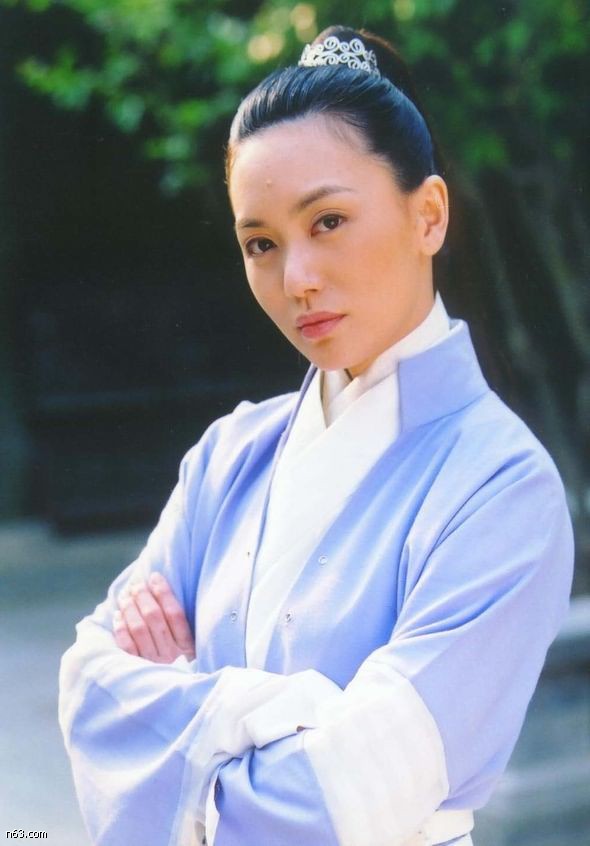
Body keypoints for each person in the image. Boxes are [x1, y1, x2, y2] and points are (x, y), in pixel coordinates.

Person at [59, 25, 574, 846]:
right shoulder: (229, 456)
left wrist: (183, 713)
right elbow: (88, 692)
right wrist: (288, 712)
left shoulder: (502, 487)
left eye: (328, 221)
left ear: (429, 215)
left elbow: (340, 800)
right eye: (260, 243)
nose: (296, 279)